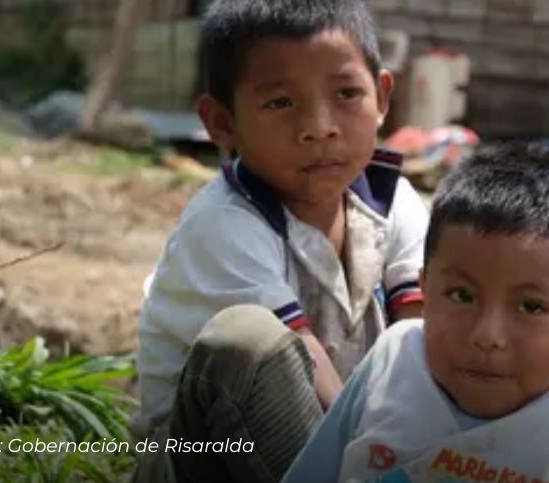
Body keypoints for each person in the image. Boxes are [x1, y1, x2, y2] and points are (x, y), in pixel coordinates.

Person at [130, 0, 427, 481]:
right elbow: (306, 367)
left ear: (383, 97)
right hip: (208, 459)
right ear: (222, 124)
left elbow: (425, 335)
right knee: (249, 338)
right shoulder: (222, 225)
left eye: (347, 93)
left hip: (357, 453)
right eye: (280, 103)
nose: (319, 128)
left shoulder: (394, 201)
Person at [282, 144, 549, 482]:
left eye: (531, 307)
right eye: (461, 295)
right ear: (425, 289)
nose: (487, 335)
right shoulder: (393, 361)